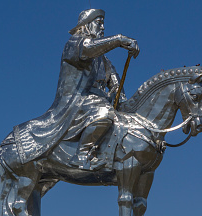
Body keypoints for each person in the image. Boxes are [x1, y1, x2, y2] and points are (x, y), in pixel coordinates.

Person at [12, 9, 140, 170]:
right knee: (104, 114)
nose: (103, 28)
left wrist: (122, 101)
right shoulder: (74, 44)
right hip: (77, 102)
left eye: (103, 24)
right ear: (86, 25)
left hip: (98, 102)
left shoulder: (104, 60)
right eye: (99, 23)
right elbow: (88, 49)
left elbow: (116, 85)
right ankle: (82, 156)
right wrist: (119, 39)